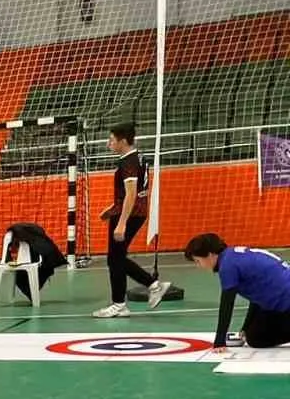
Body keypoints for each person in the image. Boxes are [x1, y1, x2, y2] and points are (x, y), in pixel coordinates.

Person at [95, 123, 171, 318]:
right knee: (116, 258)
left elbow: (131, 194)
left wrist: (121, 222)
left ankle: (119, 304)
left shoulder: (128, 162)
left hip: (130, 214)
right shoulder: (137, 158)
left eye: (111, 140)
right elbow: (130, 195)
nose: (108, 143)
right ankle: (153, 285)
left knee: (115, 259)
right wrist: (112, 209)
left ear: (122, 141)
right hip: (134, 212)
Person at [185, 232, 290, 350]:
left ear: (210, 255)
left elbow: (227, 304)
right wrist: (245, 327)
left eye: (198, 261)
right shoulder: (233, 256)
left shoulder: (227, 266)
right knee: (252, 332)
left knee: (256, 338)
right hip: (280, 298)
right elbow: (257, 294)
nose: (199, 266)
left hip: (285, 302)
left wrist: (220, 341)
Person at [3, 222, 68, 299]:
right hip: (29, 263)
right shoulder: (14, 238)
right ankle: (31, 292)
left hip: (31, 262)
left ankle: (31, 292)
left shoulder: (29, 241)